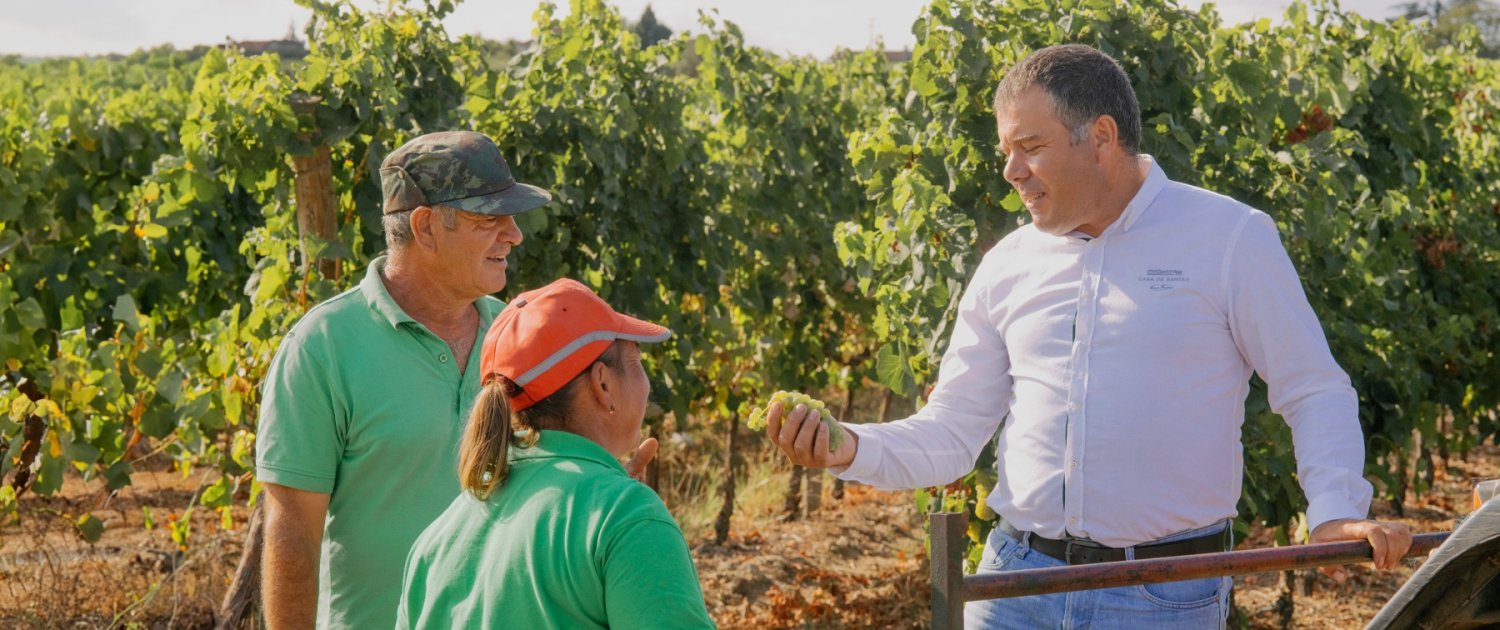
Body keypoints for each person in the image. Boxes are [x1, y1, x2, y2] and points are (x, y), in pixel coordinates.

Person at [765, 45, 1412, 629]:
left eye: (1032, 146)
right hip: (1012, 585)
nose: (1011, 171)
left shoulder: (1228, 238)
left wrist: (1334, 509)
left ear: (1101, 136)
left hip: (1161, 594)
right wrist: (848, 448)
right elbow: (954, 434)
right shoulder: (1009, 264)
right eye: (1005, 152)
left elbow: (1312, 387)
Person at [255, 131, 570, 630]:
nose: (514, 234)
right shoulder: (322, 347)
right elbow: (293, 533)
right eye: (490, 218)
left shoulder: (519, 336)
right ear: (425, 227)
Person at [396, 278, 715, 630]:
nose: (646, 383)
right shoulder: (627, 518)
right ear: (603, 383)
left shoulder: (436, 542)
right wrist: (617, 504)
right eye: (637, 362)